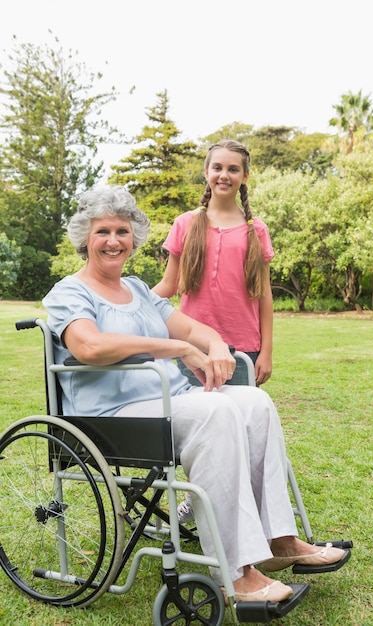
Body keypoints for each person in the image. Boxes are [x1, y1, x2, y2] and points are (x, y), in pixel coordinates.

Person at [42, 185, 346, 605]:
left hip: (168, 400)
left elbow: (190, 328)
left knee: (254, 402)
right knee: (215, 410)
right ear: (84, 238)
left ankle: (280, 540)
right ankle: (237, 572)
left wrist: (215, 344)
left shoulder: (140, 291)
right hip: (111, 414)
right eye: (103, 232)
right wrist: (178, 349)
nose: (114, 241)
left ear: (135, 238)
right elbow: (88, 347)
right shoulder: (69, 292)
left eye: (123, 232)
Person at [152, 139, 274, 523]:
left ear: (245, 177)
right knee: (204, 423)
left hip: (242, 349)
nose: (224, 175)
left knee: (242, 427)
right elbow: (169, 287)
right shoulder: (186, 224)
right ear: (206, 173)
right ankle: (199, 498)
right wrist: (129, 300)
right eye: (217, 167)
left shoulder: (256, 230)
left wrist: (266, 351)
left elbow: (265, 296)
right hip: (192, 346)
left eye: (233, 169)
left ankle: (242, 510)